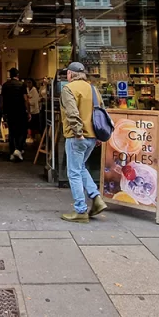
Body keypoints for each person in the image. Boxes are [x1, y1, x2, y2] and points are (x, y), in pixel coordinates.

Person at [59, 61, 107, 223]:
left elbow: (72, 113)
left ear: (70, 75)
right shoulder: (93, 89)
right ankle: (96, 198)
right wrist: (98, 136)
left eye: (67, 73)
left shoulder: (68, 89)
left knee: (73, 172)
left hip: (76, 137)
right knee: (80, 168)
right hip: (92, 137)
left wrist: (78, 133)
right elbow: (101, 112)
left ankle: (80, 210)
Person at [1, 67, 30, 161]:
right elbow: (25, 99)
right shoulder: (22, 85)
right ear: (17, 75)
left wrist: (3, 112)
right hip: (20, 111)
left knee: (12, 132)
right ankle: (18, 149)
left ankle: (12, 152)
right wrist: (28, 111)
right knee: (22, 131)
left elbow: (2, 100)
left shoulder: (5, 85)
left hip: (9, 111)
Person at [25, 78, 41, 145]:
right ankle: (30, 137)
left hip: (34, 110)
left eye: (30, 82)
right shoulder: (27, 89)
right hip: (29, 110)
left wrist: (28, 101)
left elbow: (34, 101)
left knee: (34, 125)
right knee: (29, 125)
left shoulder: (34, 90)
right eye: (27, 82)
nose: (28, 84)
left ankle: (33, 137)